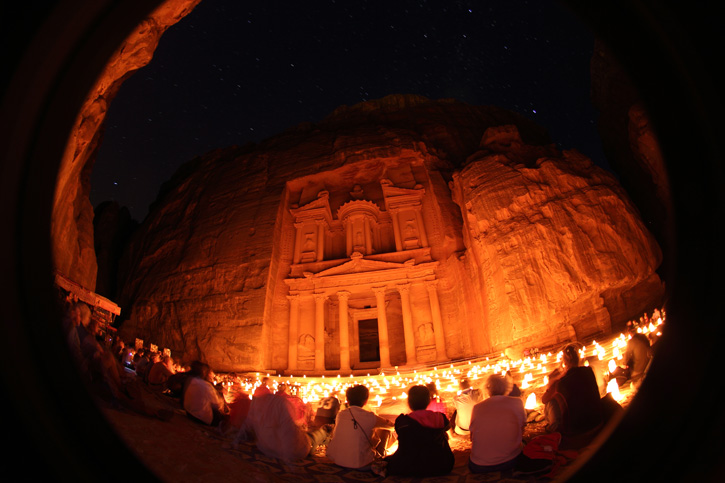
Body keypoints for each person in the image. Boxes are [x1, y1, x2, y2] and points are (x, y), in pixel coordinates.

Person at [235, 390, 331, 461]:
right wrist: (289, 461)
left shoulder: (258, 406)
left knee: (308, 435)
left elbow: (246, 425)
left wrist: (235, 440)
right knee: (312, 438)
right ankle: (325, 431)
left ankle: (324, 433)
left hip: (265, 447)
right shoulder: (282, 404)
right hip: (292, 449)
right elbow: (289, 435)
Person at [384, 385, 454, 477]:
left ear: (409, 403)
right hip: (441, 465)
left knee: (387, 461)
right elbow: (448, 428)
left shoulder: (402, 422)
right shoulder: (440, 418)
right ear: (428, 401)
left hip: (409, 467)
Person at [542, 344, 603, 445]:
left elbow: (544, 400)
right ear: (579, 358)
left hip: (576, 433)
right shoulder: (589, 371)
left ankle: (554, 429)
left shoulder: (560, 382)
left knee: (551, 402)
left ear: (564, 362)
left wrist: (551, 381)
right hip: (597, 424)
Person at [326, 385, 394, 470]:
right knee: (385, 430)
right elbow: (391, 426)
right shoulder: (370, 416)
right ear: (365, 401)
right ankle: (381, 455)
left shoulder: (340, 414)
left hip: (338, 460)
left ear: (347, 400)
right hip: (361, 463)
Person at [468, 374, 527, 473]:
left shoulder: (477, 408)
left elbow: (472, 437)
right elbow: (522, 429)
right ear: (507, 388)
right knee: (525, 444)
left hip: (478, 466)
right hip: (510, 461)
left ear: (487, 389)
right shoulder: (517, 402)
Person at [182, 361, 230, 426]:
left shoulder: (190, 380)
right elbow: (217, 405)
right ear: (205, 373)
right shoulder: (205, 385)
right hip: (201, 417)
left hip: (189, 413)